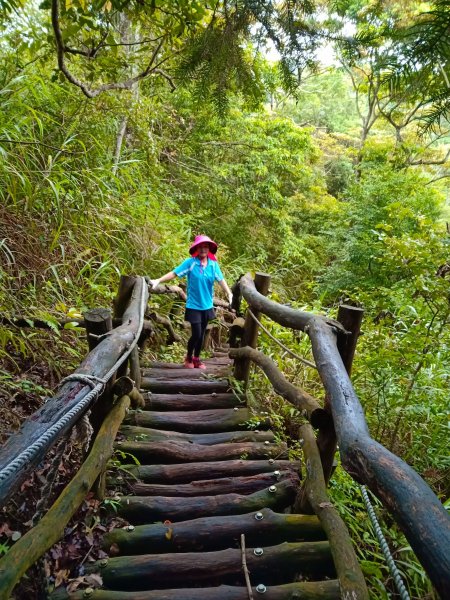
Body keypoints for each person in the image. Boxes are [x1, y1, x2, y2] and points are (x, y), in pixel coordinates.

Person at [148, 235, 233, 369]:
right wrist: (158, 280)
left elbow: (221, 280)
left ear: (209, 249)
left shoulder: (213, 265)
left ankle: (196, 358)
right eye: (200, 247)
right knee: (197, 333)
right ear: (196, 248)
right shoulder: (190, 263)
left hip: (207, 306)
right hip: (193, 305)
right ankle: (188, 357)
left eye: (205, 246)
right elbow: (174, 273)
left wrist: (229, 293)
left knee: (202, 332)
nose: (203, 249)